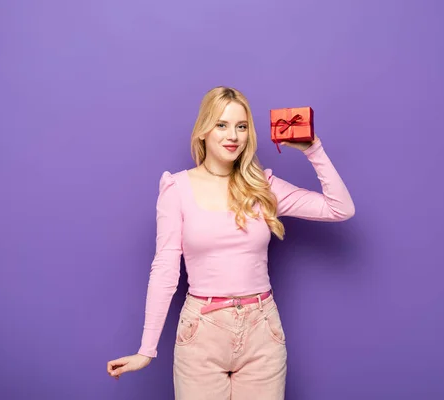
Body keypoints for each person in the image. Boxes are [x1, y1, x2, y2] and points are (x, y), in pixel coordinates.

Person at [107, 86, 355, 399]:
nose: (232, 136)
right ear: (202, 132)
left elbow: (340, 209)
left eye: (241, 126)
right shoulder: (177, 189)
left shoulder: (262, 186)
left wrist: (313, 149)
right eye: (221, 125)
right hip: (201, 332)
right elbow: (165, 269)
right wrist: (147, 349)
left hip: (262, 329)